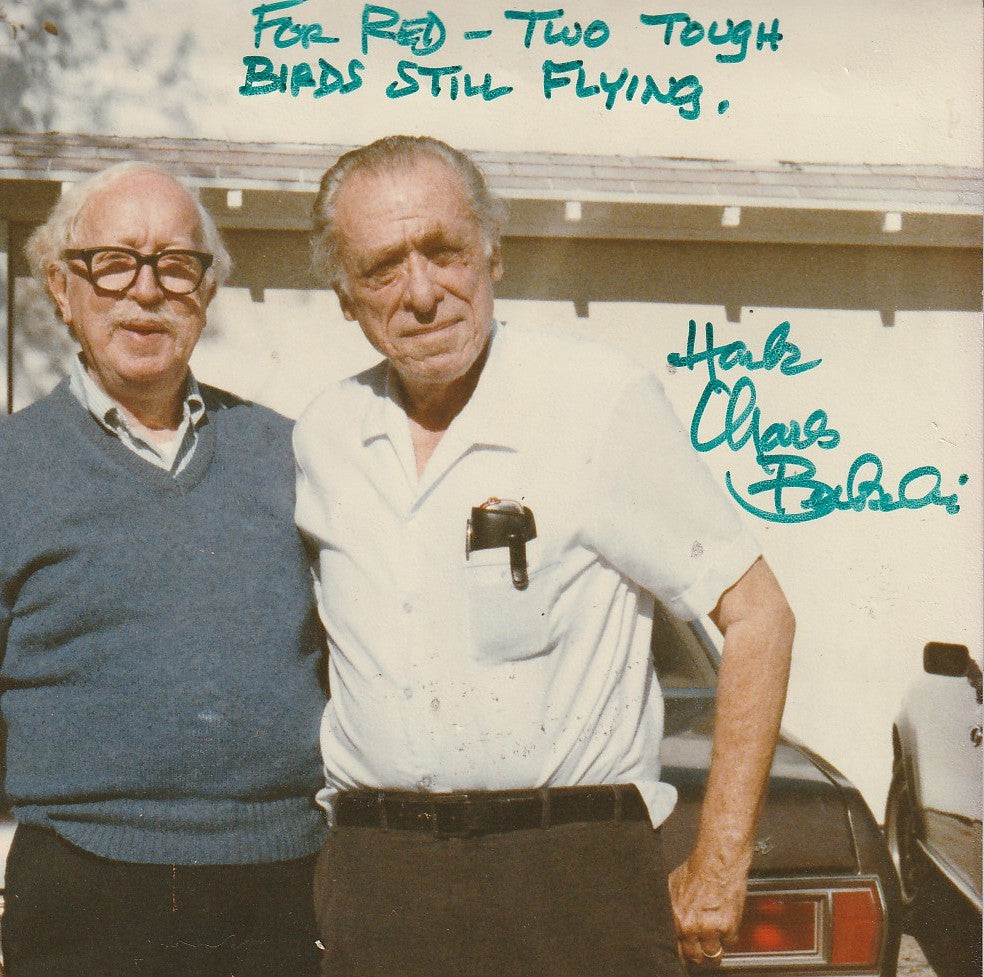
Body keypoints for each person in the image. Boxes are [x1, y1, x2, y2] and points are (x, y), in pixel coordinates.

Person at [295, 135, 795, 977]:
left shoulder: (595, 401)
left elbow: (759, 616)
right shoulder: (325, 436)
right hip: (381, 884)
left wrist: (719, 865)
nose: (423, 292)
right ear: (345, 297)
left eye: (444, 251)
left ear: (493, 250)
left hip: (572, 881)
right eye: (382, 268)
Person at [0, 161, 328, 977]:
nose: (145, 291)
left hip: (282, 881)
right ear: (60, 288)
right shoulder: (10, 467)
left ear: (206, 294)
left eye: (176, 265)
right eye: (113, 261)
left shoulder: (292, 453)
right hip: (81, 880)